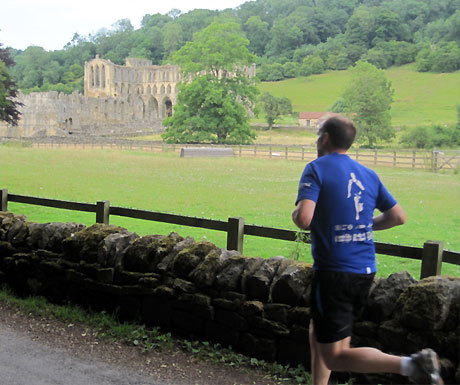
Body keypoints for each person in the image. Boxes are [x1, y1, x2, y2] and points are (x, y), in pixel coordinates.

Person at [292, 116, 443, 385]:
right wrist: (360, 225)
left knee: (335, 356)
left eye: (318, 135)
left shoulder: (316, 168)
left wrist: (296, 213)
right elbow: (398, 216)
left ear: (325, 138)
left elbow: (304, 218)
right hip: (364, 271)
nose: (316, 140)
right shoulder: (368, 174)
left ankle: (412, 365)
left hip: (334, 273)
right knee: (320, 331)